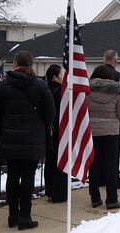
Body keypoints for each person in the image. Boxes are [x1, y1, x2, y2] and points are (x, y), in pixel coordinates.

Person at [0, 51, 55, 230]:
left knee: (12, 177)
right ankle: (25, 217)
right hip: (32, 139)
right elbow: (50, 114)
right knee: (28, 178)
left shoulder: (3, 87)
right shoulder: (40, 86)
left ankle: (13, 215)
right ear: (32, 64)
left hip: (9, 138)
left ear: (15, 63)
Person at [86, 65, 120, 210]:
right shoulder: (117, 92)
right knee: (111, 166)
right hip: (111, 133)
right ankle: (111, 199)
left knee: (94, 165)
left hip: (92, 132)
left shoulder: (87, 91)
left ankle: (95, 198)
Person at [103, 49, 120, 189]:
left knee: (100, 154)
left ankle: (101, 178)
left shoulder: (96, 74)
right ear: (115, 60)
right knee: (113, 154)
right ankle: (114, 180)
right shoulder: (118, 76)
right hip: (114, 120)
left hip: (96, 121)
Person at [44, 64, 68, 203]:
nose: (64, 76)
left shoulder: (46, 89)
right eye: (61, 74)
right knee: (59, 161)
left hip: (49, 130)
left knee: (50, 160)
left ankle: (50, 190)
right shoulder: (59, 92)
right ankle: (58, 192)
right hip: (59, 129)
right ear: (54, 77)